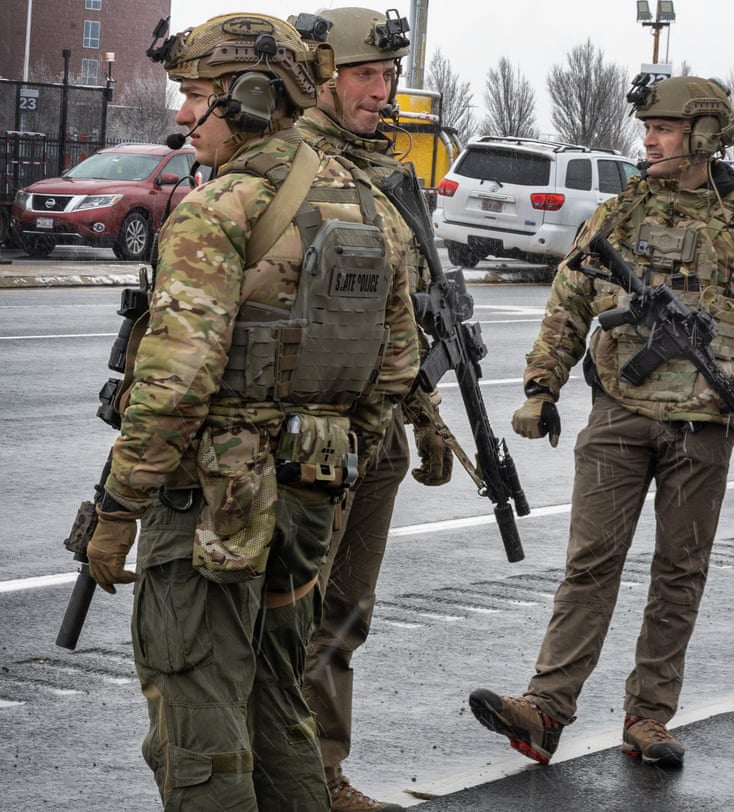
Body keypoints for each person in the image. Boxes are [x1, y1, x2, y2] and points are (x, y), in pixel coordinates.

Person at [83, 13, 420, 810]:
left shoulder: (218, 209)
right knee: (278, 708)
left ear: (252, 97)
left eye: (195, 96)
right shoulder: (373, 209)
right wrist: (326, 457)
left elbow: (174, 384)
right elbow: (395, 369)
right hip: (310, 495)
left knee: (195, 708)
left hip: (211, 506)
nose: (181, 116)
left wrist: (117, 507)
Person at [467, 74, 734, 768]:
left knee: (679, 573)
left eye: (665, 128)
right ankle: (547, 707)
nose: (648, 139)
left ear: (704, 137)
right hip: (618, 412)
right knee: (590, 564)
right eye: (647, 127)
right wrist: (541, 386)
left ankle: (649, 717)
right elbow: (570, 297)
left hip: (704, 426)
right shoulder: (618, 216)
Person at [289, 8, 453, 810]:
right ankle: (282, 783)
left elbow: (406, 313)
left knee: (347, 613)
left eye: (387, 76)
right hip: (318, 429)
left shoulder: (388, 175)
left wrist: (426, 414)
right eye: (365, 75)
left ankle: (322, 773)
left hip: (379, 426)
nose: (381, 91)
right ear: (322, 76)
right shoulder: (294, 167)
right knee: (292, 611)